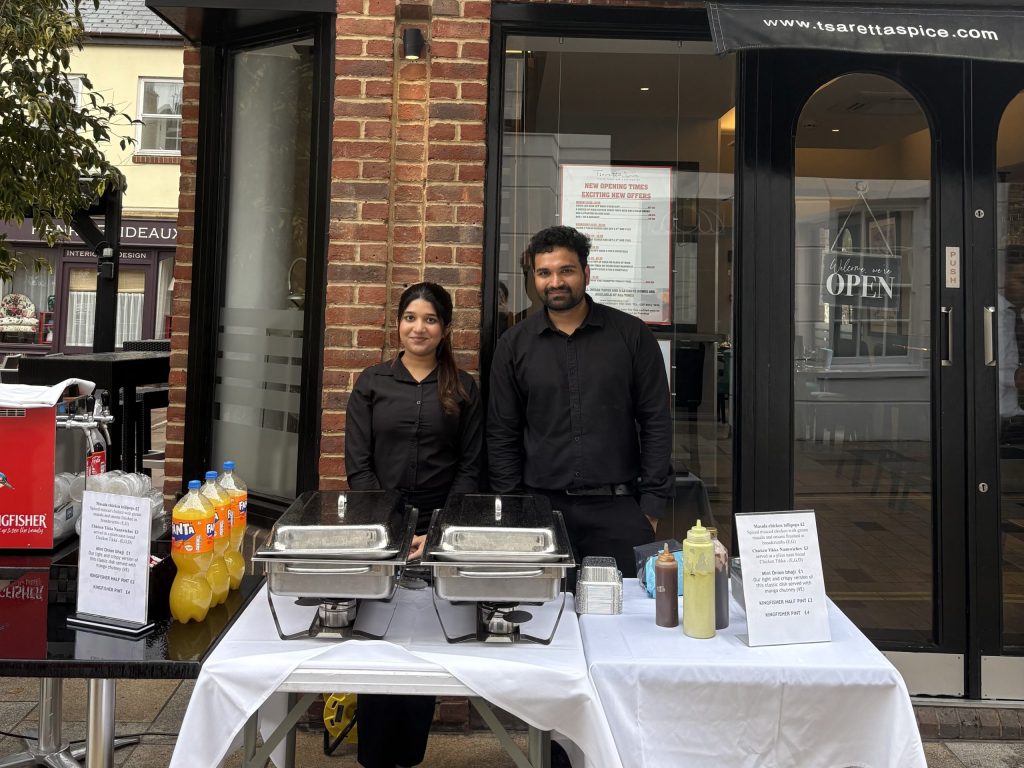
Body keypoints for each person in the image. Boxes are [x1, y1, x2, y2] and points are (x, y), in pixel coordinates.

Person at [345, 281, 483, 768]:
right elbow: (358, 465)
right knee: (376, 645)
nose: (418, 328)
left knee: (423, 646)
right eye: (409, 318)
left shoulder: (464, 388)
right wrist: (393, 531)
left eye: (429, 319)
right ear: (398, 324)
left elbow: (470, 466)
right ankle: (374, 757)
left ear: (445, 329)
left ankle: (409, 756)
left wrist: (438, 530)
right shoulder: (372, 383)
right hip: (383, 534)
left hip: (438, 532)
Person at [487, 225, 674, 577]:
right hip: (541, 511)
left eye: (566, 270)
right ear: (534, 278)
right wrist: (513, 508)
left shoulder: (631, 335)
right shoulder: (514, 345)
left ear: (586, 273)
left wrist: (650, 507)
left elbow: (656, 422)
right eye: (544, 273)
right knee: (542, 619)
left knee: (626, 618)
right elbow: (502, 433)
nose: (555, 281)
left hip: (619, 509)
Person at [999, 247, 1024, 446]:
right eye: (1021, 280)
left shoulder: (1018, 314)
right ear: (1002, 278)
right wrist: (1014, 377)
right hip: (996, 424)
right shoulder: (990, 316)